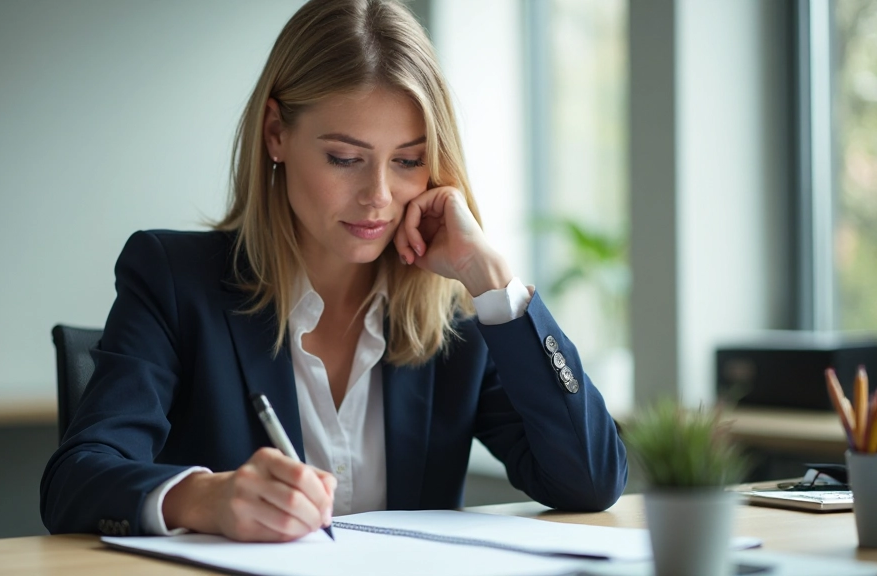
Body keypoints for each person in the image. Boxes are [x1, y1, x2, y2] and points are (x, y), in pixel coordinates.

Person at [40, 0, 627, 542]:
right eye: (345, 158)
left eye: (407, 161)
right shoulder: (173, 280)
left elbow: (590, 480)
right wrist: (204, 498)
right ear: (276, 133)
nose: (378, 196)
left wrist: (492, 280)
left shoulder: (459, 318)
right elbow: (75, 479)